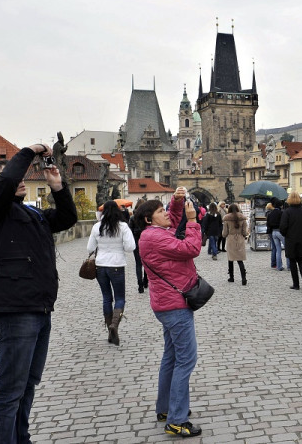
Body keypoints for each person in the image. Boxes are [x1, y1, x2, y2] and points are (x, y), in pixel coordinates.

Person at [0, 143, 78, 443]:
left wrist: (58, 187)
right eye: (12, 177)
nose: (21, 180)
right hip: (16, 311)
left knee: (28, 384)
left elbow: (68, 219)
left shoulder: (31, 214)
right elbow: (9, 181)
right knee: (10, 390)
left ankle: (21, 438)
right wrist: (29, 151)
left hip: (40, 308)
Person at [134, 187, 203, 438]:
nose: (167, 215)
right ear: (148, 219)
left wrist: (175, 201)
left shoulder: (154, 232)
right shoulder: (155, 237)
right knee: (186, 360)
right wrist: (193, 222)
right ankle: (176, 420)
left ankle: (165, 409)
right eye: (160, 211)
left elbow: (173, 221)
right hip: (175, 305)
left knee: (171, 358)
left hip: (167, 303)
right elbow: (191, 249)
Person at [87, 200, 135, 345]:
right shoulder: (123, 226)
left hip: (101, 265)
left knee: (107, 298)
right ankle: (115, 325)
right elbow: (130, 247)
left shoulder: (97, 227)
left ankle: (110, 329)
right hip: (117, 265)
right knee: (120, 298)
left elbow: (90, 247)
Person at [280, 191, 302, 290]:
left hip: (290, 239)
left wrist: (285, 234)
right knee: (300, 259)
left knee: (292, 261)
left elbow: (283, 226)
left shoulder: (287, 212)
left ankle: (296, 284)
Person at [222, 203, 249, 285]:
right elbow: (245, 232)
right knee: (240, 259)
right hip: (240, 239)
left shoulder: (227, 219)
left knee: (230, 259)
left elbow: (224, 233)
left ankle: (231, 277)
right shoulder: (242, 218)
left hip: (231, 239)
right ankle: (243, 277)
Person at [129, 199, 148, 293]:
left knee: (138, 264)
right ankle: (145, 281)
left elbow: (130, 231)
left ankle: (140, 285)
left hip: (136, 242)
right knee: (146, 263)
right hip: (146, 242)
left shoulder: (133, 217)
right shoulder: (147, 217)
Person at [267, 199, 285, 271]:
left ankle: (278, 266)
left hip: (273, 232)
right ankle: (289, 266)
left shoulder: (270, 213)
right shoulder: (281, 213)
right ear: (281, 205)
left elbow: (268, 224)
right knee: (287, 249)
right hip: (280, 232)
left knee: (278, 250)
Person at [264, 201, 276, 268]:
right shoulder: (271, 213)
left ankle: (273, 263)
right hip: (273, 230)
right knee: (275, 248)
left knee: (273, 247)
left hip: (269, 230)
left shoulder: (266, 213)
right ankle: (274, 263)